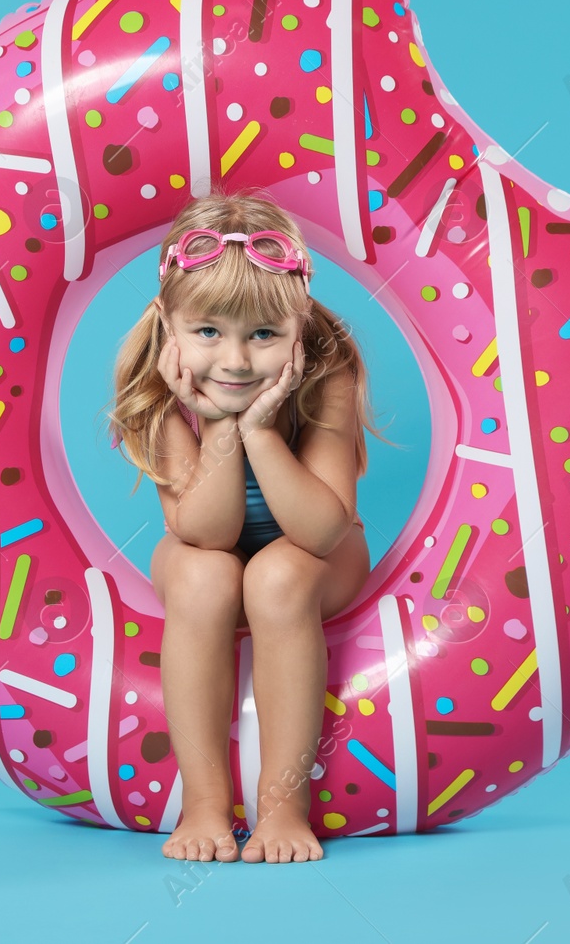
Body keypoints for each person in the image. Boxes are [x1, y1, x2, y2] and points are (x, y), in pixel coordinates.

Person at [106, 186, 389, 863]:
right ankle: (204, 803)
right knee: (206, 575)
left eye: (263, 335)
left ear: (300, 328)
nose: (235, 360)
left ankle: (282, 808)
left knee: (278, 574)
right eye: (208, 332)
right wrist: (216, 426)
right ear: (167, 324)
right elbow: (204, 530)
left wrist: (259, 428)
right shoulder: (155, 390)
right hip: (210, 545)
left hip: (314, 554)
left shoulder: (329, 368)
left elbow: (323, 528)